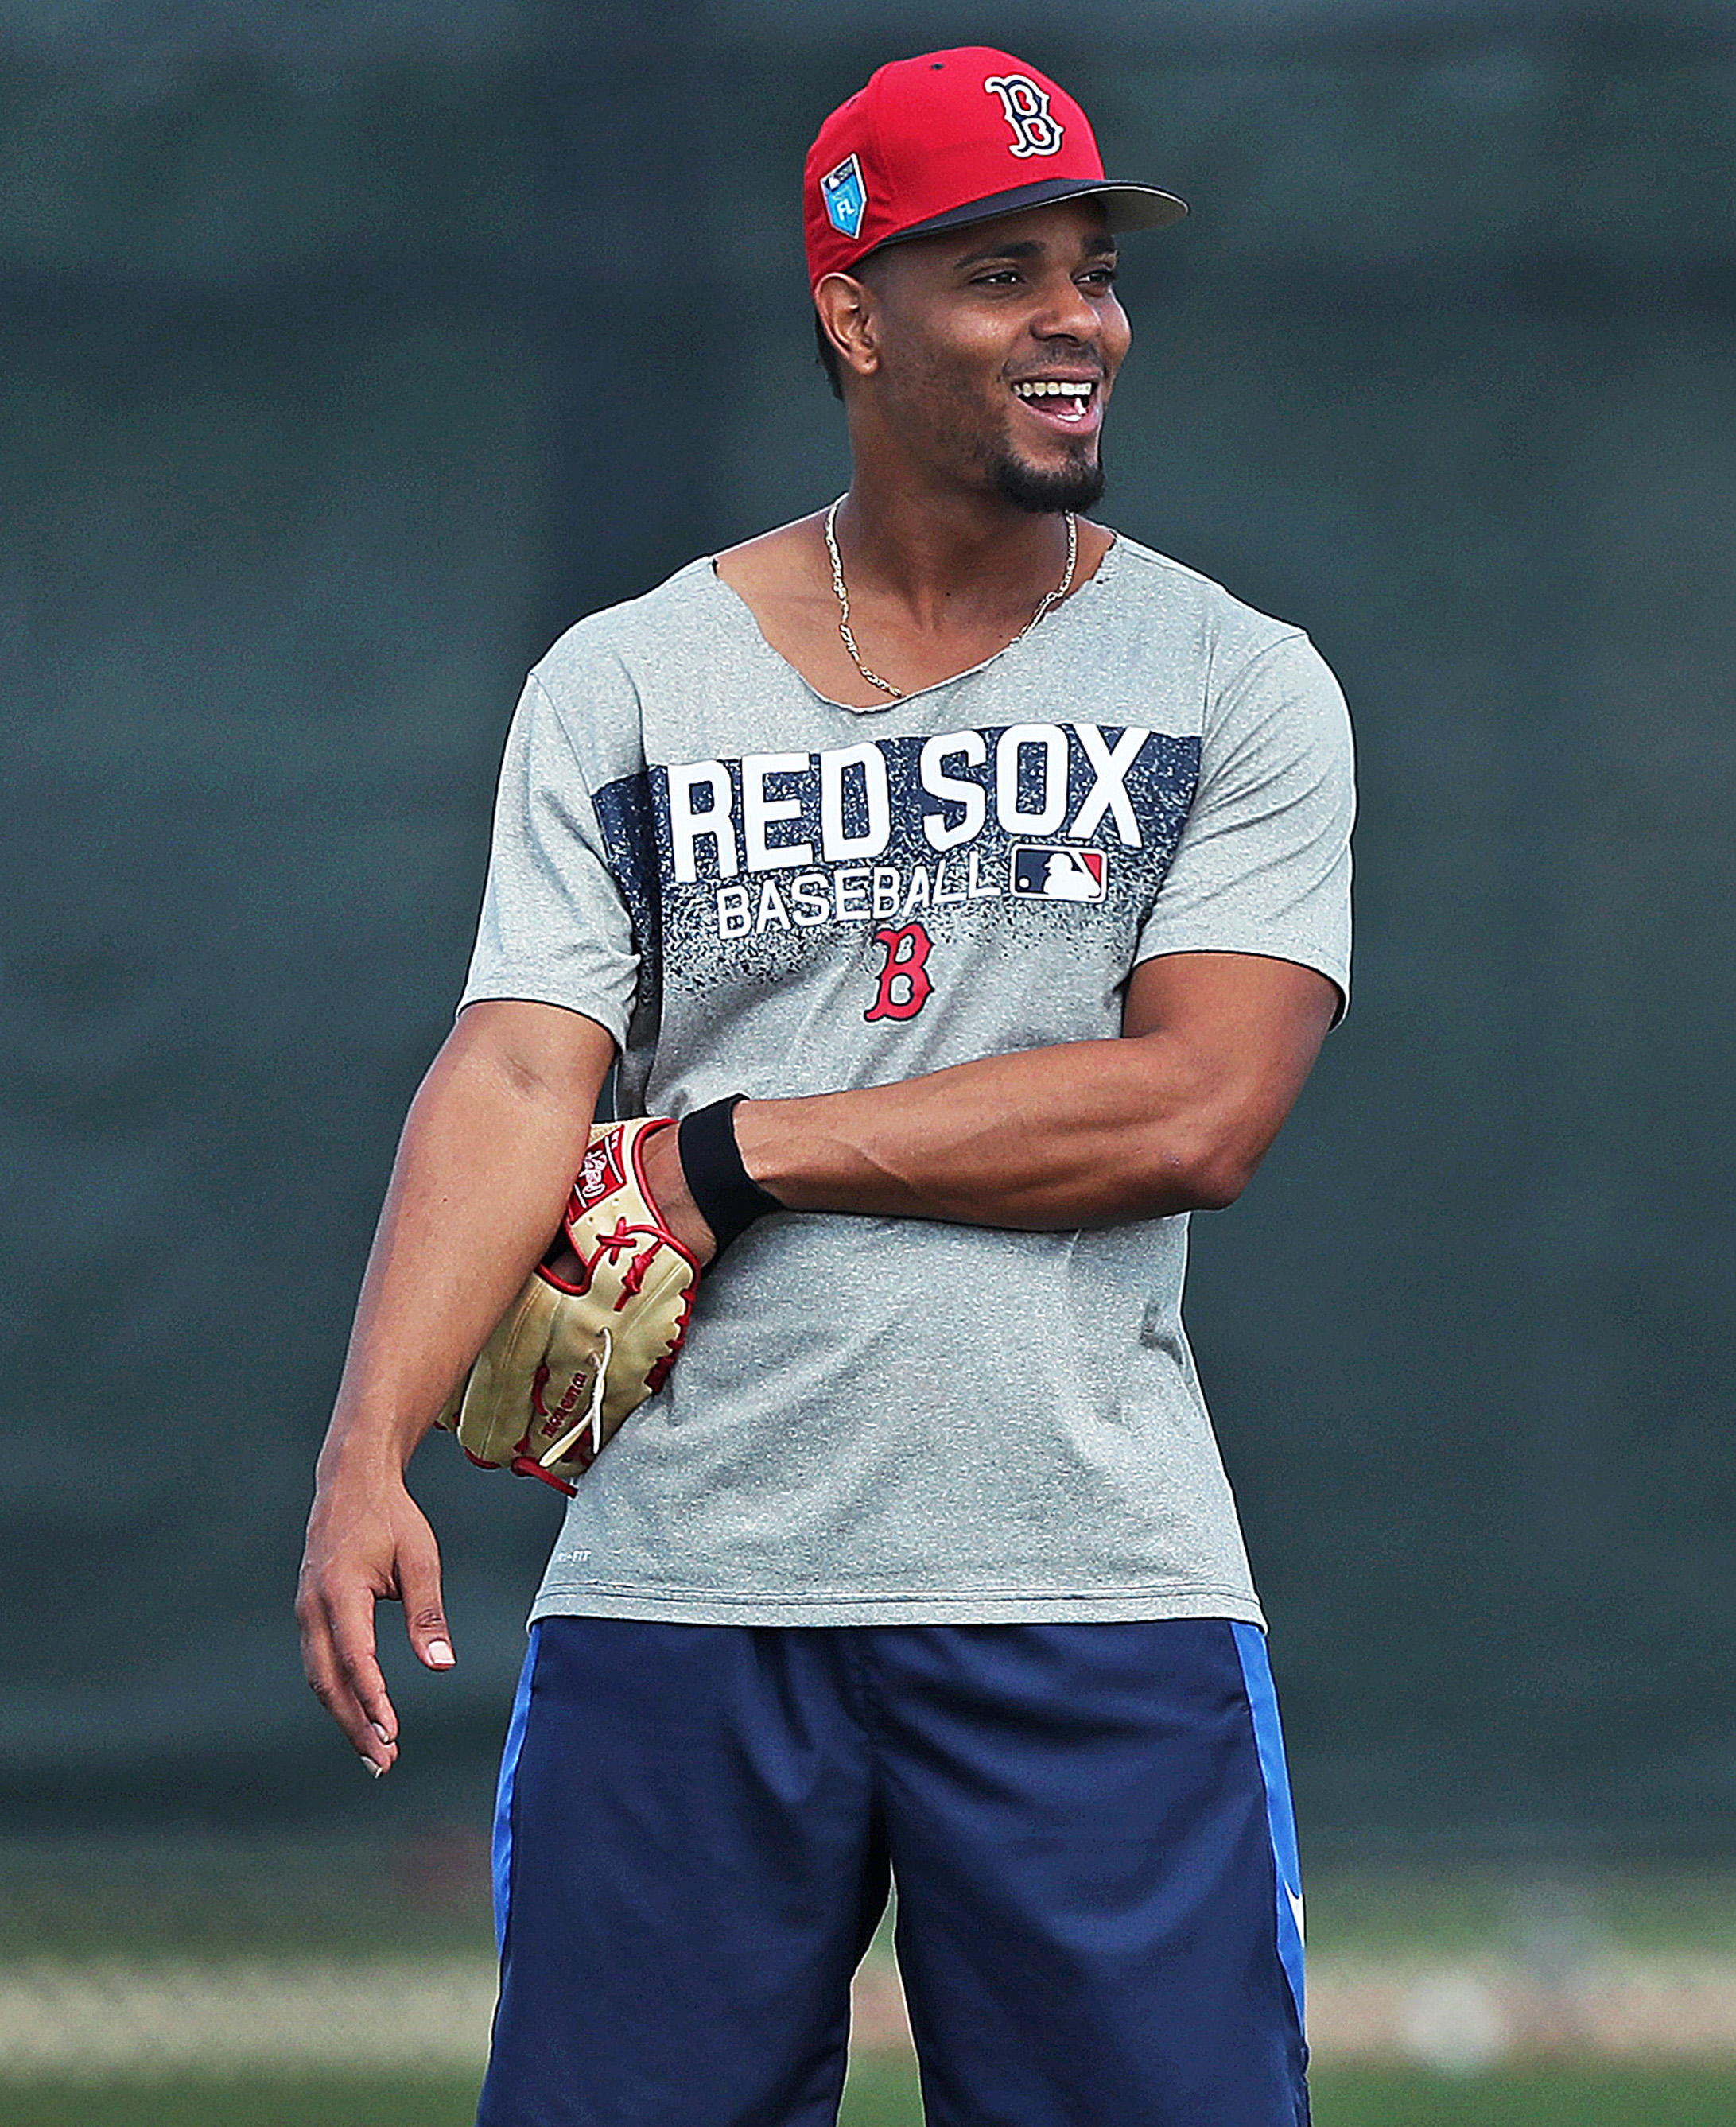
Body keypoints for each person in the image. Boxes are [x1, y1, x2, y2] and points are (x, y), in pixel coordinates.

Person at [295, 48, 1348, 2127]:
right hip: (682, 1590)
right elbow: (514, 1068)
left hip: (1084, 1591)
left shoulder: (1234, 678)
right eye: (999, 274)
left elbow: (1195, 1109)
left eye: (1095, 273)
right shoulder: (630, 680)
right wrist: (364, 1450)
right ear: (853, 314)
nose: (1078, 318)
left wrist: (739, 1150)